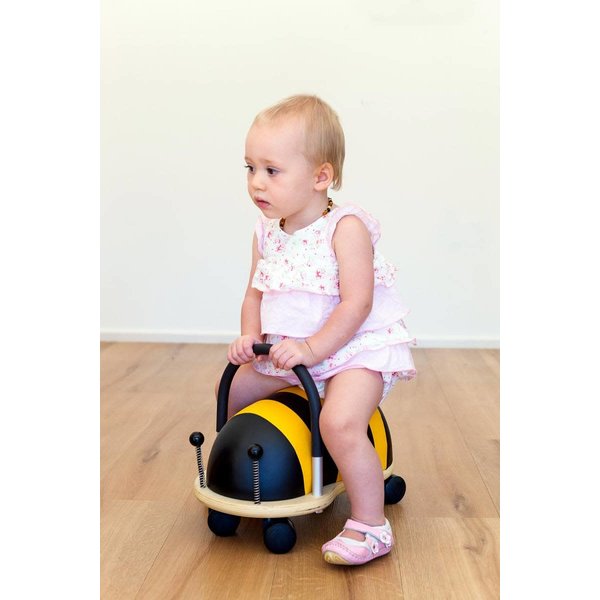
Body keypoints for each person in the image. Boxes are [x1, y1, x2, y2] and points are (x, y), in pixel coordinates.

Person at [223, 94, 416, 566]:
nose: (256, 182)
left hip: (352, 352)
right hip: (291, 354)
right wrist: (251, 338)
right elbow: (254, 295)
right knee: (234, 388)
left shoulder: (345, 228)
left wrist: (313, 348)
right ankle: (244, 475)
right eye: (250, 168)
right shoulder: (266, 232)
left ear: (320, 177)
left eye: (272, 170)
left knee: (339, 422)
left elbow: (357, 304)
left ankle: (370, 524)